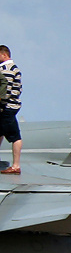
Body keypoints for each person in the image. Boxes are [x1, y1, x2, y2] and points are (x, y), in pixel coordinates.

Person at [0, 45, 22, 175]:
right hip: (10, 106)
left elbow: (4, 90)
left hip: (7, 107)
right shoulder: (14, 68)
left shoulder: (7, 69)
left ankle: (15, 166)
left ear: (4, 55)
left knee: (15, 136)